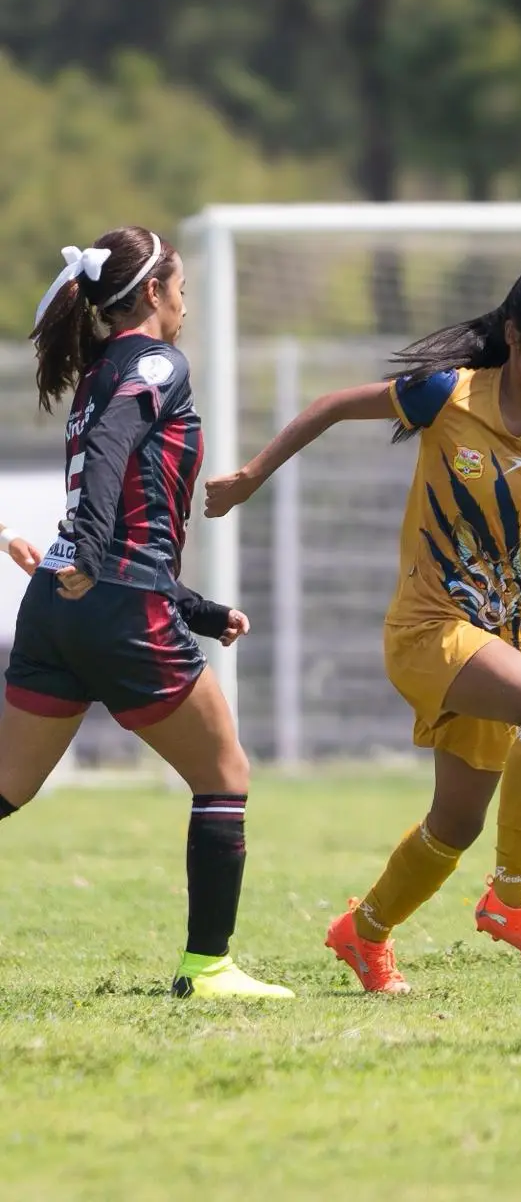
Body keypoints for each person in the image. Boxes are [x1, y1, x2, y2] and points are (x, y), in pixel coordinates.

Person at [206, 253, 521, 995]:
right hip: (426, 628)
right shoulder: (449, 393)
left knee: (455, 825)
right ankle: (513, 900)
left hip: (494, 642)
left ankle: (364, 932)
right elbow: (333, 405)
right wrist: (251, 475)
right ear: (513, 335)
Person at [0, 227, 294, 1000]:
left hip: (61, 606)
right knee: (224, 773)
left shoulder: (100, 368)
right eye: (183, 289)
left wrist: (196, 608)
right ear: (156, 293)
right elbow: (108, 455)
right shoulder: (158, 363)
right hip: (114, 604)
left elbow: (128, 501)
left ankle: (210, 966)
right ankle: (208, 968)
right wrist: (93, 554)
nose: (187, 304)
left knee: (6, 789)